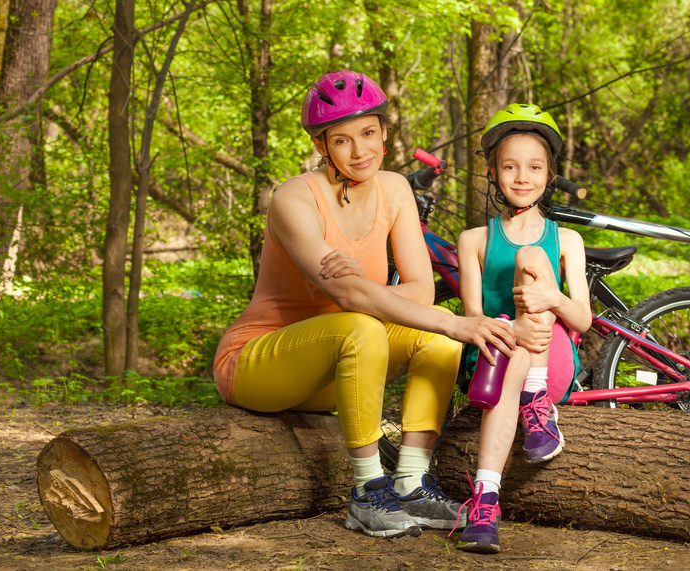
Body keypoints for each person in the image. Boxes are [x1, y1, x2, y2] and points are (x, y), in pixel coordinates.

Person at [211, 70, 515, 539]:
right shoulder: (294, 198)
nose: (360, 152)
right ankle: (367, 492)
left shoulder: (395, 190)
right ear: (321, 146)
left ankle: (412, 481)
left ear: (385, 132)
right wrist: (361, 295)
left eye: (369, 134)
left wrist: (365, 293)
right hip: (258, 363)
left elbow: (421, 290)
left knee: (434, 333)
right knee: (371, 325)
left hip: (342, 362)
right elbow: (352, 299)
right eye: (342, 141)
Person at [453, 104, 592, 554]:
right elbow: (473, 319)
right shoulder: (473, 240)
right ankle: (486, 502)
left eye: (534, 167)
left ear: (550, 174)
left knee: (532, 257)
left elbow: (583, 320)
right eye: (509, 166)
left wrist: (550, 299)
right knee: (510, 343)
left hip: (548, 358)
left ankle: (534, 399)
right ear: (493, 172)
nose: (522, 177)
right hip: (493, 361)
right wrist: (511, 327)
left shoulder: (567, 240)